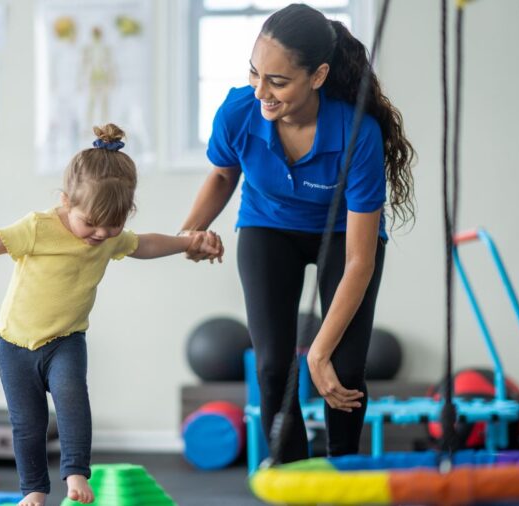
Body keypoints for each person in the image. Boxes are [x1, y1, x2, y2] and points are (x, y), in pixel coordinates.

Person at [0, 124, 222, 506]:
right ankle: (33, 490)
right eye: (91, 223)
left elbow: (145, 244)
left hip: (66, 339)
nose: (100, 234)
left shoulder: (110, 235)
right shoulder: (38, 227)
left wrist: (188, 241)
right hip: (14, 344)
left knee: (72, 400)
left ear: (125, 214)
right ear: (67, 201)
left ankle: (75, 474)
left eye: (112, 225)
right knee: (28, 424)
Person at [180, 4, 415, 463]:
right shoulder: (238, 112)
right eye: (254, 74)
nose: (260, 91)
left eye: (278, 81)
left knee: (343, 366)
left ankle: (344, 468)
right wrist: (191, 230)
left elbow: (359, 261)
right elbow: (224, 176)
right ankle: (291, 475)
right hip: (269, 228)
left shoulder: (357, 134)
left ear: (318, 76)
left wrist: (319, 353)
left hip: (344, 238)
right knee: (271, 367)